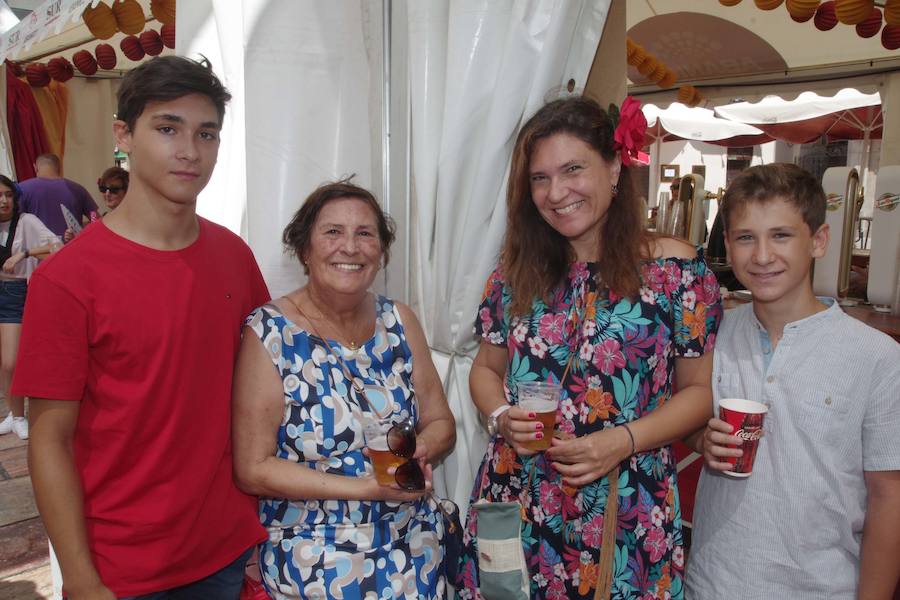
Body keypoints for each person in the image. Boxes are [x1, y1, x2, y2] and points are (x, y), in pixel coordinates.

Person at [14, 56, 270, 599]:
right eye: (167, 128)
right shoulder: (68, 278)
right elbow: (49, 439)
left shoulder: (234, 256)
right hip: (121, 568)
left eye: (206, 133)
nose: (189, 151)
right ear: (123, 135)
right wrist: (80, 577)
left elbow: (258, 399)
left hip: (227, 547)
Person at [457, 97, 723, 599]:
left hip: (626, 502)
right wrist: (498, 416)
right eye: (539, 178)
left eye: (573, 169)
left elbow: (697, 393)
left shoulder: (676, 273)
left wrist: (621, 440)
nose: (556, 192)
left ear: (615, 166)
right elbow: (486, 370)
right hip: (520, 495)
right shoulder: (515, 274)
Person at [232, 179, 456, 599]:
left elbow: (442, 422)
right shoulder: (270, 333)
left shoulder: (400, 321)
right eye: (332, 232)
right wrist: (366, 487)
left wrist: (414, 453)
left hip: (413, 546)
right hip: (313, 554)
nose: (350, 247)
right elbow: (253, 467)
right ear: (304, 249)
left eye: (365, 234)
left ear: (382, 252)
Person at [685, 163, 900, 599]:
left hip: (822, 587)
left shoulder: (876, 357)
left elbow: (888, 498)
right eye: (746, 237)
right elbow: (686, 418)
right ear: (727, 243)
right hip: (710, 584)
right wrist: (699, 440)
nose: (763, 256)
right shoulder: (711, 336)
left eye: (781, 235)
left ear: (818, 241)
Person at [0, 175, 61, 440]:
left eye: (8, 195)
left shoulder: (26, 222)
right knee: (3, 363)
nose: (4, 201)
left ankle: (21, 416)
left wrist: (24, 253)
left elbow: (56, 245)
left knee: (11, 361)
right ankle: (12, 415)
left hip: (14, 294)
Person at [18, 153, 98, 237]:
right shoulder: (78, 189)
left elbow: (14, 224)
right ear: (59, 168)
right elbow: (94, 217)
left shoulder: (22, 189)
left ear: (35, 167)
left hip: (39, 248)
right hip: (72, 245)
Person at [62, 166, 129, 243]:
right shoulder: (106, 218)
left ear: (126, 191)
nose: (107, 194)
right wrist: (76, 238)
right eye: (103, 189)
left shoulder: (130, 220)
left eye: (114, 190)